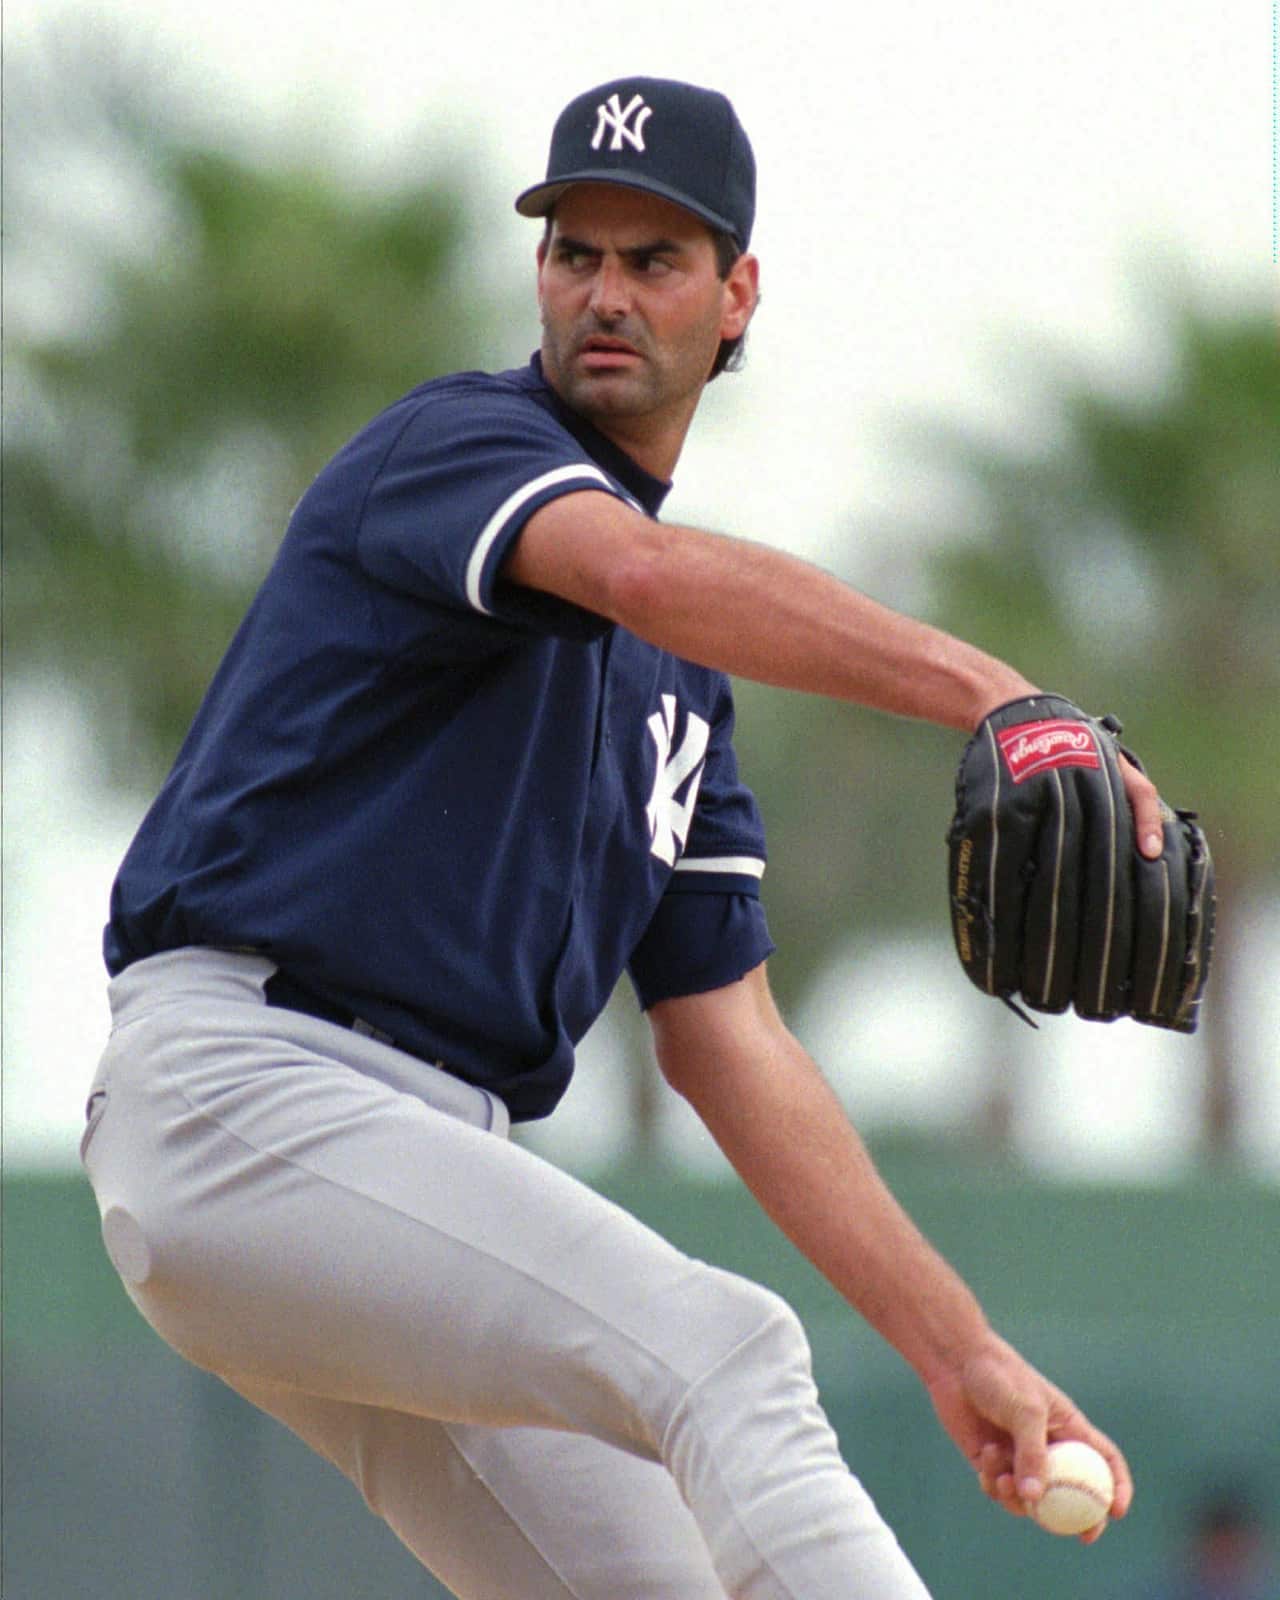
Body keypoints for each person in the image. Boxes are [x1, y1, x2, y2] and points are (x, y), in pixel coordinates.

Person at [80, 76, 1155, 1600]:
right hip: (248, 1097)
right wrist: (990, 689)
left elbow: (732, 1045)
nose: (603, 292)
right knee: (730, 1349)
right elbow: (640, 576)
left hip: (409, 1186)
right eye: (574, 251)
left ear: (737, 295)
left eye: (654, 260)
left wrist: (955, 1344)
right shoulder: (462, 447)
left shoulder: (682, 700)